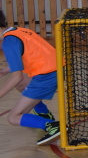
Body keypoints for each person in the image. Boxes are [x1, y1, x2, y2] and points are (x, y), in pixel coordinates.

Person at [0, 10, 61, 145]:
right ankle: (43, 113)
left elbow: (17, 77)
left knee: (13, 117)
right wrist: (6, 70)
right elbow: (30, 55)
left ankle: (52, 125)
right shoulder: (17, 31)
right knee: (21, 85)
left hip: (47, 76)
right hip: (57, 69)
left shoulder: (8, 42)